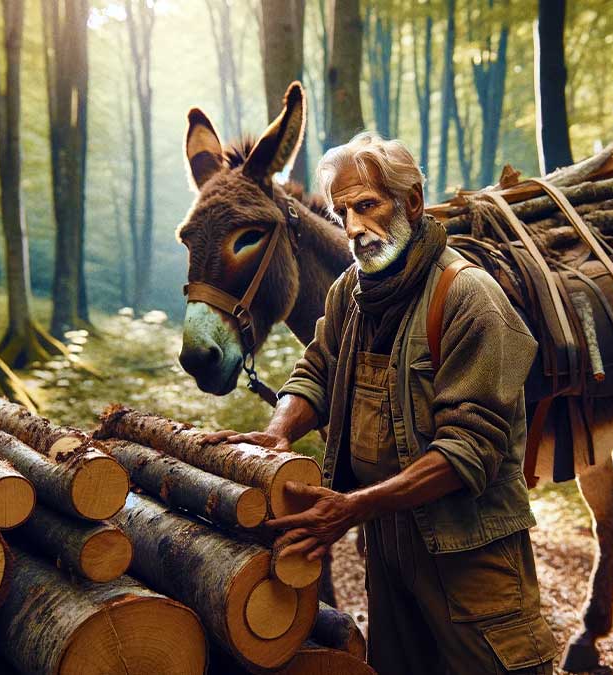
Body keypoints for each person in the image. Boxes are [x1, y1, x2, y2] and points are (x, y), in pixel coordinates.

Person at [215, 132, 557, 674]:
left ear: (412, 203)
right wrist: (281, 429)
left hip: (469, 551)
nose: (353, 227)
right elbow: (318, 370)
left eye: (367, 205)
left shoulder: (470, 299)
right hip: (389, 545)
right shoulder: (351, 291)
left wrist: (353, 507)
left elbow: (470, 449)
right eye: (341, 211)